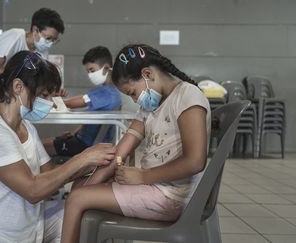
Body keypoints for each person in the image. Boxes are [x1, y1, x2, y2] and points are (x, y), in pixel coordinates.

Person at [0, 50, 116, 243]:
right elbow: (33, 190)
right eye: (43, 95)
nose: (48, 103)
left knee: (79, 217)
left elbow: (50, 175)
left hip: (26, 227)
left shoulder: (26, 127)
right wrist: (83, 159)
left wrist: (90, 169)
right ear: (18, 87)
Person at [60, 44, 211, 243]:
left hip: (172, 196)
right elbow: (121, 151)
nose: (135, 100)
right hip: (155, 187)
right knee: (80, 188)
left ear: (147, 74)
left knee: (76, 199)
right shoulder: (150, 107)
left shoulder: (187, 96)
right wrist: (91, 180)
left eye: (132, 92)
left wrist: (143, 176)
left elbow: (195, 161)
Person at [0, 8, 65, 109]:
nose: (50, 43)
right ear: (35, 30)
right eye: (48, 38)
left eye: (54, 40)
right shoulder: (15, 36)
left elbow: (39, 80)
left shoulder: (42, 52)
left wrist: (52, 91)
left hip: (4, 99)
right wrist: (22, 77)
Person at [43, 46, 121, 158]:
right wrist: (74, 133)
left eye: (92, 70)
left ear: (106, 68)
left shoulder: (107, 93)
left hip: (85, 145)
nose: (90, 74)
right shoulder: (110, 91)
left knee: (40, 147)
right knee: (45, 143)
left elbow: (74, 103)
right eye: (88, 71)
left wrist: (49, 99)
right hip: (83, 140)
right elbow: (89, 120)